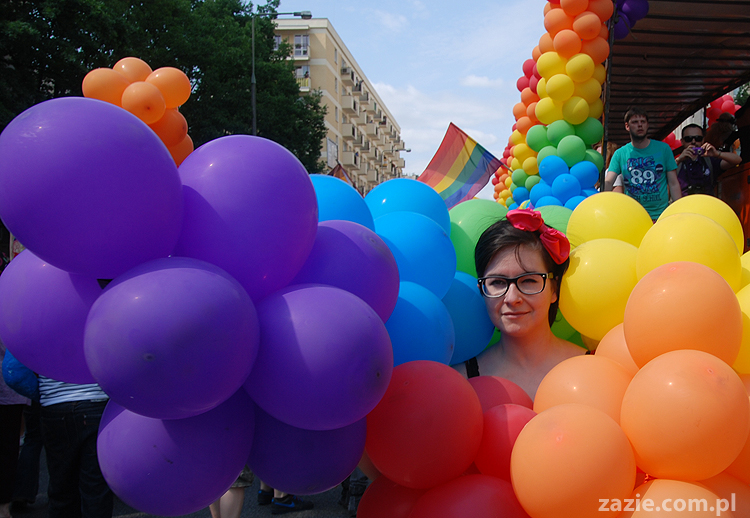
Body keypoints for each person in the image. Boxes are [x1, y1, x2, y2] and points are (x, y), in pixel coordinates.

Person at [453, 209, 585, 400]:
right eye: (497, 282)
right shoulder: (462, 382)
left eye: (529, 281)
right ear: (482, 290)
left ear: (554, 289)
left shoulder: (596, 366)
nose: (512, 297)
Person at [37, 376, 113, 518]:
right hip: (96, 401)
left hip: (53, 403)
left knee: (61, 489)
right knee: (96, 491)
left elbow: (16, 375)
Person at [604, 107, 682, 220]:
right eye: (635, 122)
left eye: (643, 122)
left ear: (647, 125)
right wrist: (599, 201)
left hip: (660, 216)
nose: (639, 125)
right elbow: (609, 181)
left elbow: (673, 183)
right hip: (633, 216)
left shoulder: (663, 149)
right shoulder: (620, 154)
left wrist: (679, 211)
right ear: (627, 126)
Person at [675, 123, 741, 196]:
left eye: (698, 138)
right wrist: (679, 160)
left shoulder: (709, 160)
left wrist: (717, 154)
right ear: (682, 142)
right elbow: (665, 179)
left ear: (703, 140)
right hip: (683, 205)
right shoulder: (676, 163)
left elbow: (737, 160)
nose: (693, 142)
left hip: (707, 204)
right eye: (688, 139)